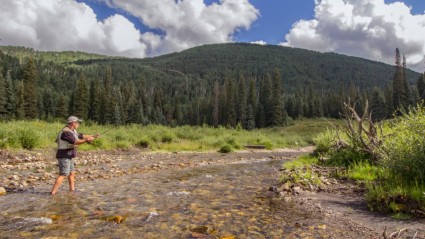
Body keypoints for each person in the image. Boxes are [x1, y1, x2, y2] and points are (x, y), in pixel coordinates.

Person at [50, 116, 98, 195]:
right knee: (63, 174)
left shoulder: (73, 130)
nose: (79, 124)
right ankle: (52, 193)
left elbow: (81, 136)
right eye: (78, 122)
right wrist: (87, 140)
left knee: (72, 173)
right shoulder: (66, 132)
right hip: (64, 155)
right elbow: (75, 142)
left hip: (70, 155)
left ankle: (72, 190)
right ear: (73, 123)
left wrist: (93, 136)